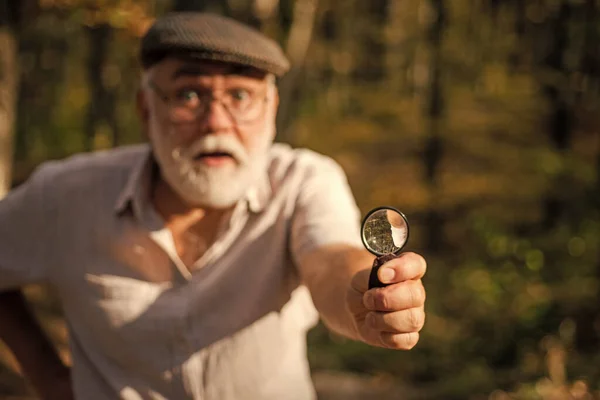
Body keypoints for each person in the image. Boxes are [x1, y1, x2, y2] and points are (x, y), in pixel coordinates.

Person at [0, 12, 427, 400]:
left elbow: (330, 260)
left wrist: (363, 296)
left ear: (272, 109)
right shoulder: (65, 196)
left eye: (240, 96)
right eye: (188, 95)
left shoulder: (304, 182)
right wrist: (48, 377)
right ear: (145, 108)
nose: (217, 122)